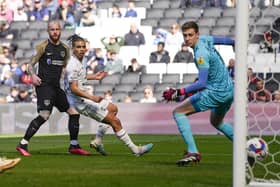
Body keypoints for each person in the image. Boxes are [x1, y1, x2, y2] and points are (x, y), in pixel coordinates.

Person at [64, 34, 153, 156]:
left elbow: (78, 77)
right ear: (73, 48)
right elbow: (73, 88)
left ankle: (98, 140)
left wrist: (94, 76)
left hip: (84, 98)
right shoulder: (72, 64)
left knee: (113, 109)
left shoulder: (79, 61)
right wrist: (92, 97)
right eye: (78, 47)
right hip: (81, 102)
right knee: (115, 121)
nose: (81, 49)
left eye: (83, 47)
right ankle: (135, 150)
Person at [162, 21, 235, 166]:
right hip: (229, 90)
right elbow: (224, 40)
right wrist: (234, 43)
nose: (187, 38)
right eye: (185, 35)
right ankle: (246, 147)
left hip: (216, 92)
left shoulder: (200, 54)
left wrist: (179, 91)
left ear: (197, 35)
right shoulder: (205, 39)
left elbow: (201, 83)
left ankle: (193, 151)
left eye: (190, 35)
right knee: (216, 122)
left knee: (178, 112)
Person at [16, 21, 90, 157]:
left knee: (74, 113)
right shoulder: (43, 47)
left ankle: (74, 146)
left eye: (57, 29)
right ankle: (22, 144)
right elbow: (30, 64)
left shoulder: (64, 49)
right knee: (45, 115)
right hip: (44, 86)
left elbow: (65, 69)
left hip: (56, 87)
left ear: (60, 30)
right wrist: (33, 76)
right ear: (48, 31)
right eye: (52, 30)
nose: (55, 32)